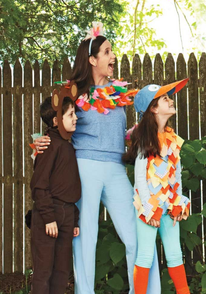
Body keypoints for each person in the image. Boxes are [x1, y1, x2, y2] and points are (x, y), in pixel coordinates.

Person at [33, 22, 161, 293]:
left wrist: (140, 132)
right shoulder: (72, 92)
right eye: (107, 51)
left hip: (115, 168)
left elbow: (115, 132)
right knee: (85, 239)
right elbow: (54, 120)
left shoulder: (118, 92)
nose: (113, 56)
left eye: (112, 50)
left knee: (138, 235)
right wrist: (40, 141)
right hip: (83, 168)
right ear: (92, 59)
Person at [123, 79, 191, 294]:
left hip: (169, 207)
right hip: (149, 208)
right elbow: (140, 178)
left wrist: (178, 201)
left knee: (174, 255)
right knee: (144, 255)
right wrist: (149, 208)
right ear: (153, 108)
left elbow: (176, 173)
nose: (170, 101)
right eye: (164, 99)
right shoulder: (146, 140)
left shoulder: (171, 139)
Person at [30, 87, 81, 294]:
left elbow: (69, 186)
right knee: (44, 272)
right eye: (71, 114)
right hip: (48, 215)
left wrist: (73, 218)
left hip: (67, 214)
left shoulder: (66, 145)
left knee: (61, 271)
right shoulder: (49, 145)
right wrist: (49, 217)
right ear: (55, 121)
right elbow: (39, 185)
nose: (76, 118)